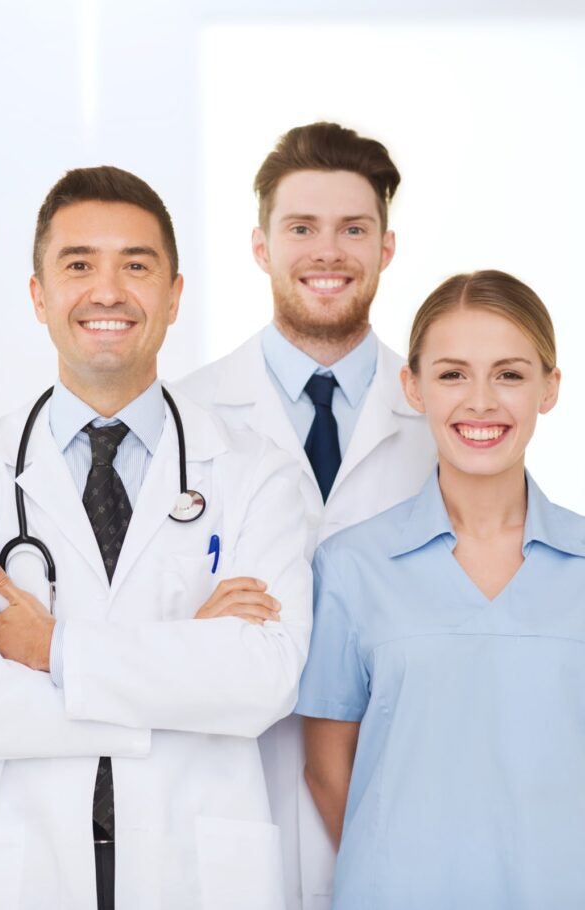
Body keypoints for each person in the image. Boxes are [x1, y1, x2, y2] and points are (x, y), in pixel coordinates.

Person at [0, 166, 312, 910]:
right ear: (38, 295)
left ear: (175, 295)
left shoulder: (257, 473)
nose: (108, 291)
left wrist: (55, 651)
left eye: (136, 265)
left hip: (199, 868)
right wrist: (183, 661)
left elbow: (263, 678)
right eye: (79, 264)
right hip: (23, 871)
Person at [177, 122, 436, 910]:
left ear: (387, 247)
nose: (328, 252)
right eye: (302, 228)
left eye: (354, 229)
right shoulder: (184, 417)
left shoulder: (446, 418)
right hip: (225, 790)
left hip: (395, 781)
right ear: (260, 246)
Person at [295, 269, 584, 908]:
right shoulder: (350, 567)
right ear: (414, 387)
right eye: (453, 374)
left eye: (509, 374)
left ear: (549, 388)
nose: (480, 401)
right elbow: (325, 769)